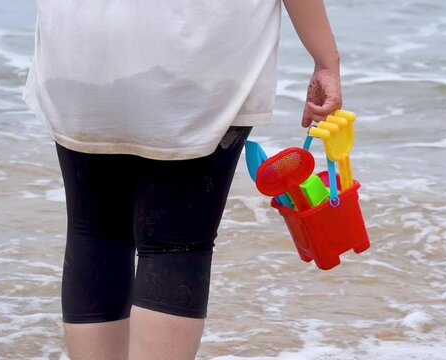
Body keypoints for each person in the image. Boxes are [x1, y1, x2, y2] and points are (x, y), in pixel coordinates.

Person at [23, 0, 342, 359]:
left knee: (96, 232)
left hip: (78, 49)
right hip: (196, 57)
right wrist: (326, 61)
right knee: (175, 245)